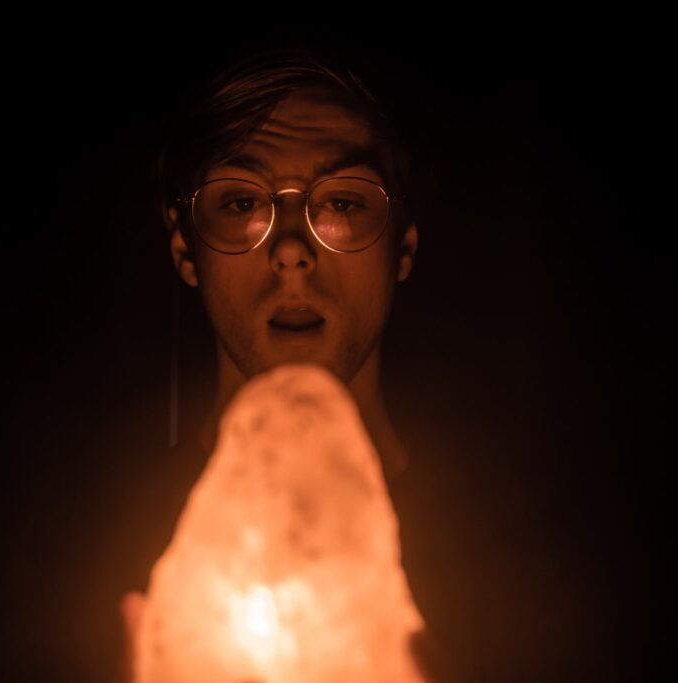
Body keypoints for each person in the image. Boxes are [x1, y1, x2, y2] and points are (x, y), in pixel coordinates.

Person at [112, 46, 474, 682]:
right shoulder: (96, 554)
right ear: (185, 249)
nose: (288, 249)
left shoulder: (509, 559)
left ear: (403, 245)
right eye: (241, 204)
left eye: (340, 203)